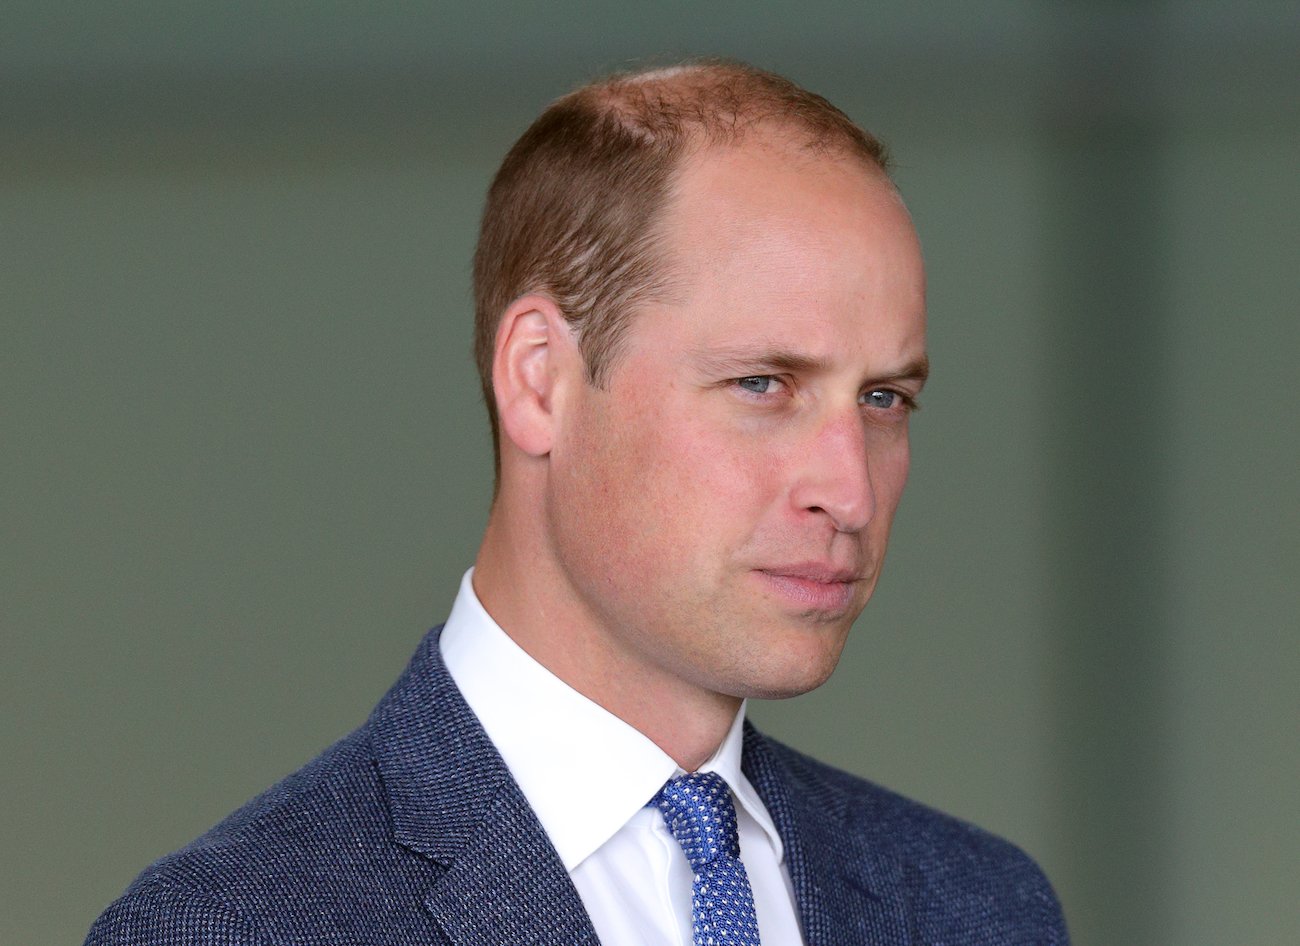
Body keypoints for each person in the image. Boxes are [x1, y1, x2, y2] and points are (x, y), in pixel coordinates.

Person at [86, 60, 1068, 945]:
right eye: (762, 385)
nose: (849, 489)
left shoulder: (978, 907)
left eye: (884, 398)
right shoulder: (228, 927)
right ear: (539, 380)